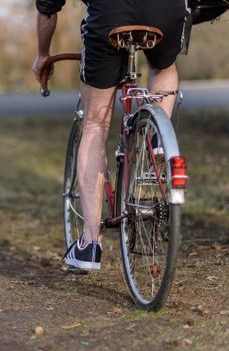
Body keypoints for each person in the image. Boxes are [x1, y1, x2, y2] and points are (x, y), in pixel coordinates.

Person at [33, 0, 190, 270]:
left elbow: (47, 8)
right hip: (167, 9)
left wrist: (42, 54)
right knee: (164, 67)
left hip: (110, 14)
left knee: (95, 124)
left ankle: (90, 242)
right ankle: (155, 142)